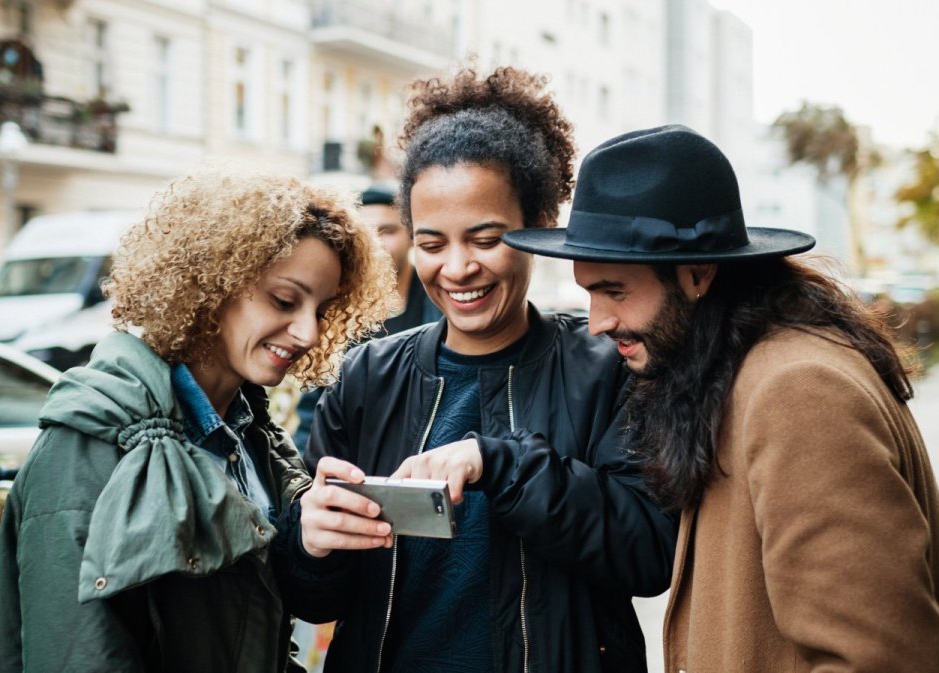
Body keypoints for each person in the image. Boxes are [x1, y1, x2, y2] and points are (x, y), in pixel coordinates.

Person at [505, 125, 939, 672]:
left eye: (615, 291)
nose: (598, 323)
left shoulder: (796, 393)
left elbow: (880, 658)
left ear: (697, 274)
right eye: (589, 293)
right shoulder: (746, 371)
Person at [285, 67, 678, 673]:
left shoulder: (607, 368)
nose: (458, 268)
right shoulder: (366, 376)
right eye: (433, 243)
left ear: (538, 225)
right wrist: (310, 542)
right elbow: (318, 600)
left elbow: (650, 555)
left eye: (486, 238)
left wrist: (504, 463)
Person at [0, 167, 396, 673]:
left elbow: (262, 613)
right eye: (285, 300)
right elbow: (78, 652)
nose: (309, 332)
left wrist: (311, 543)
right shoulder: (88, 445)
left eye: (323, 308)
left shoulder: (252, 432)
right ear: (210, 285)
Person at [292, 182, 441, 449]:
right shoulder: (336, 311)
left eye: (388, 231)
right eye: (367, 232)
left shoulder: (441, 305)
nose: (377, 242)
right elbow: (313, 411)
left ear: (410, 234)